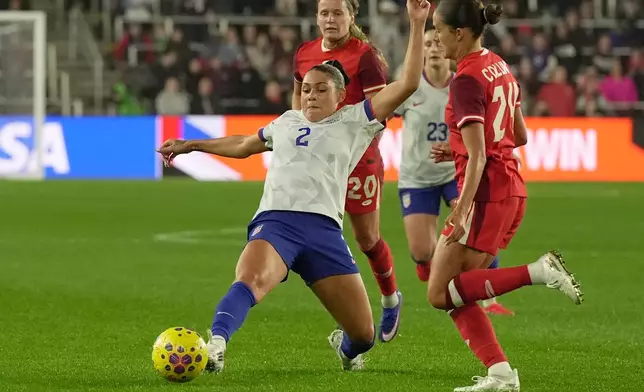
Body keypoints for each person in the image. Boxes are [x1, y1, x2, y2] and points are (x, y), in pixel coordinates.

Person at [157, 0, 431, 373]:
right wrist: (191, 144)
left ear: (340, 96)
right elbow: (242, 145)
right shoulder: (286, 121)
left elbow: (410, 82)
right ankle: (216, 345)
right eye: (306, 90)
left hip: (324, 232)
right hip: (277, 222)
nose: (310, 96)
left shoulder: (356, 120)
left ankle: (347, 350)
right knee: (250, 280)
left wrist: (417, 23)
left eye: (320, 90)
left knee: (364, 334)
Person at [428, 1, 584, 391]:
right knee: (456, 292)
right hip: (512, 188)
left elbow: (481, 154)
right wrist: (459, 148)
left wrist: (461, 210)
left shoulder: (465, 79)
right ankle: (500, 373)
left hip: (486, 196)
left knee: (438, 292)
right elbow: (521, 136)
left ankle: (540, 271)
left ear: (459, 33)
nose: (436, 37)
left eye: (439, 30)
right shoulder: (499, 65)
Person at [292, 0, 402, 343]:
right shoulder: (304, 53)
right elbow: (299, 97)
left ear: (351, 17)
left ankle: (390, 298)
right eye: (324, 13)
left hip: (359, 161)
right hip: (318, 162)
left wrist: (350, 142)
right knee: (322, 235)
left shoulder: (365, 56)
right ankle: (351, 319)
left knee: (367, 239)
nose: (330, 19)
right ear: (316, 18)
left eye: (338, 13)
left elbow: (381, 112)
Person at [394, 25, 513, 316]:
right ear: (420, 50)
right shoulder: (409, 87)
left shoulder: (463, 83)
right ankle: (427, 265)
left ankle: (489, 300)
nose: (434, 48)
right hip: (417, 177)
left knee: (477, 229)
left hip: (454, 173)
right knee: (422, 251)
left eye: (438, 42)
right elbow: (382, 115)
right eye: (427, 44)